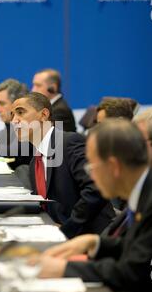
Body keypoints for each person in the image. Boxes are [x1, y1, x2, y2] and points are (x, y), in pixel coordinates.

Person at [32, 119, 152, 292]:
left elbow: (132, 273)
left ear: (114, 167)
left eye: (91, 166)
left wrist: (65, 268)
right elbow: (137, 248)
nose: (89, 174)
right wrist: (96, 242)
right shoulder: (145, 188)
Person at [11, 92, 114, 238]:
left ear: (44, 115)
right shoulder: (36, 161)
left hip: (89, 236)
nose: (14, 121)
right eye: (12, 115)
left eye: (20, 112)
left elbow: (96, 188)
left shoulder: (69, 142)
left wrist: (66, 229)